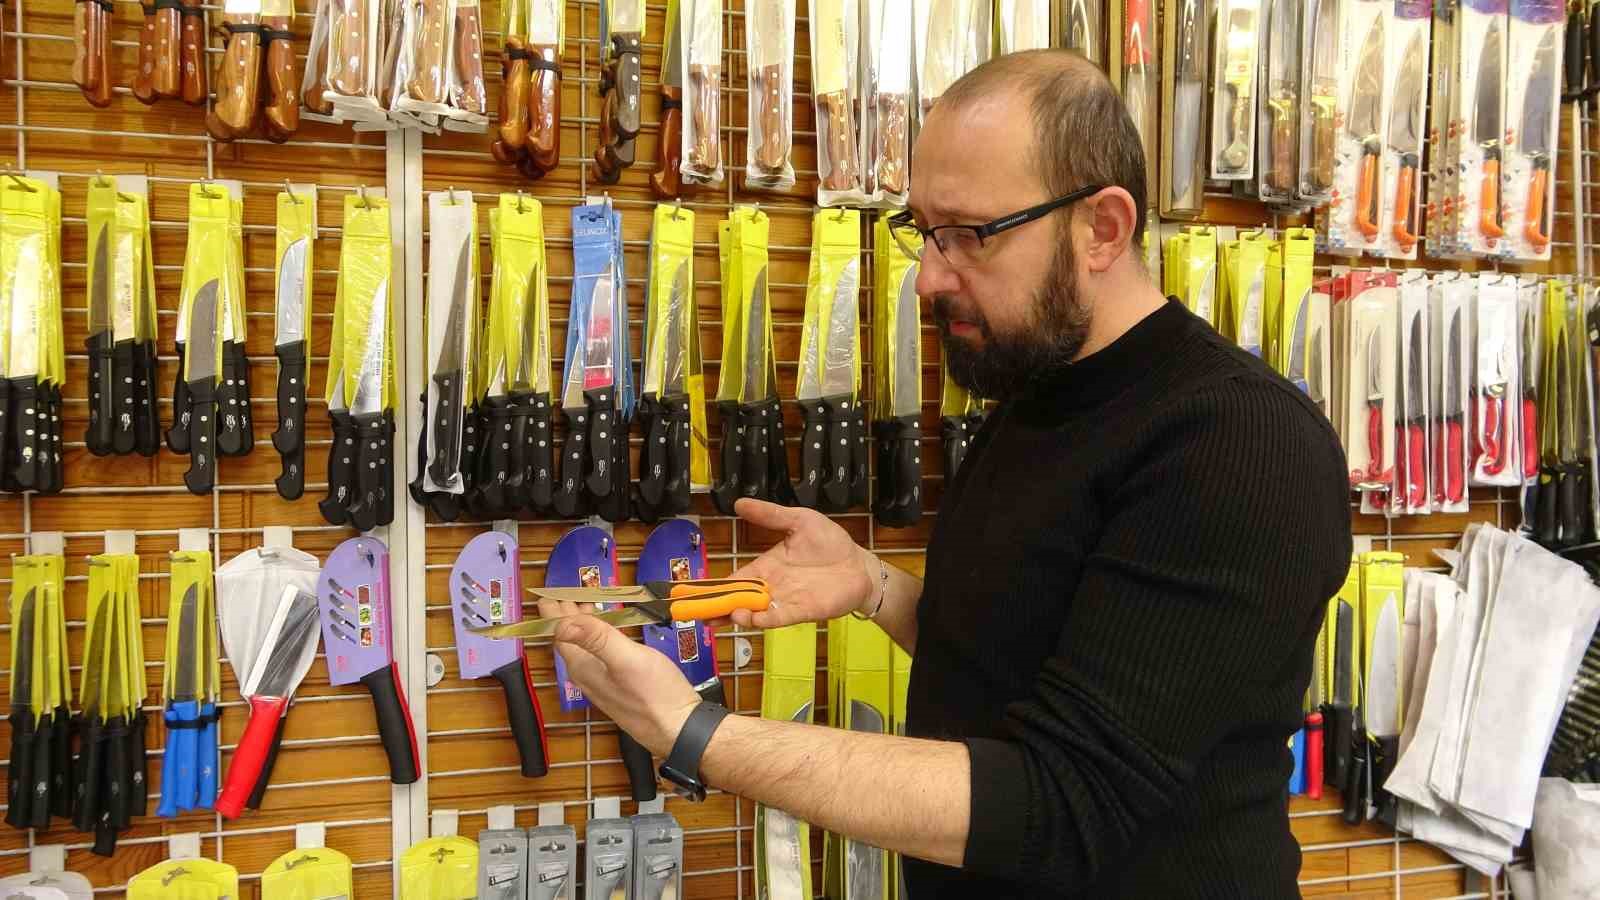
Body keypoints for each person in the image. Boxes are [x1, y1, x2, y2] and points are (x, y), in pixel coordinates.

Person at [540, 49, 1352, 898]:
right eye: (923, 230)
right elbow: (1019, 665)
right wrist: (872, 585)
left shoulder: (1236, 444)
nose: (928, 277)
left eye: (969, 235)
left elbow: (1062, 803)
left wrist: (693, 731)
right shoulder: (1035, 395)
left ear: (1104, 229)